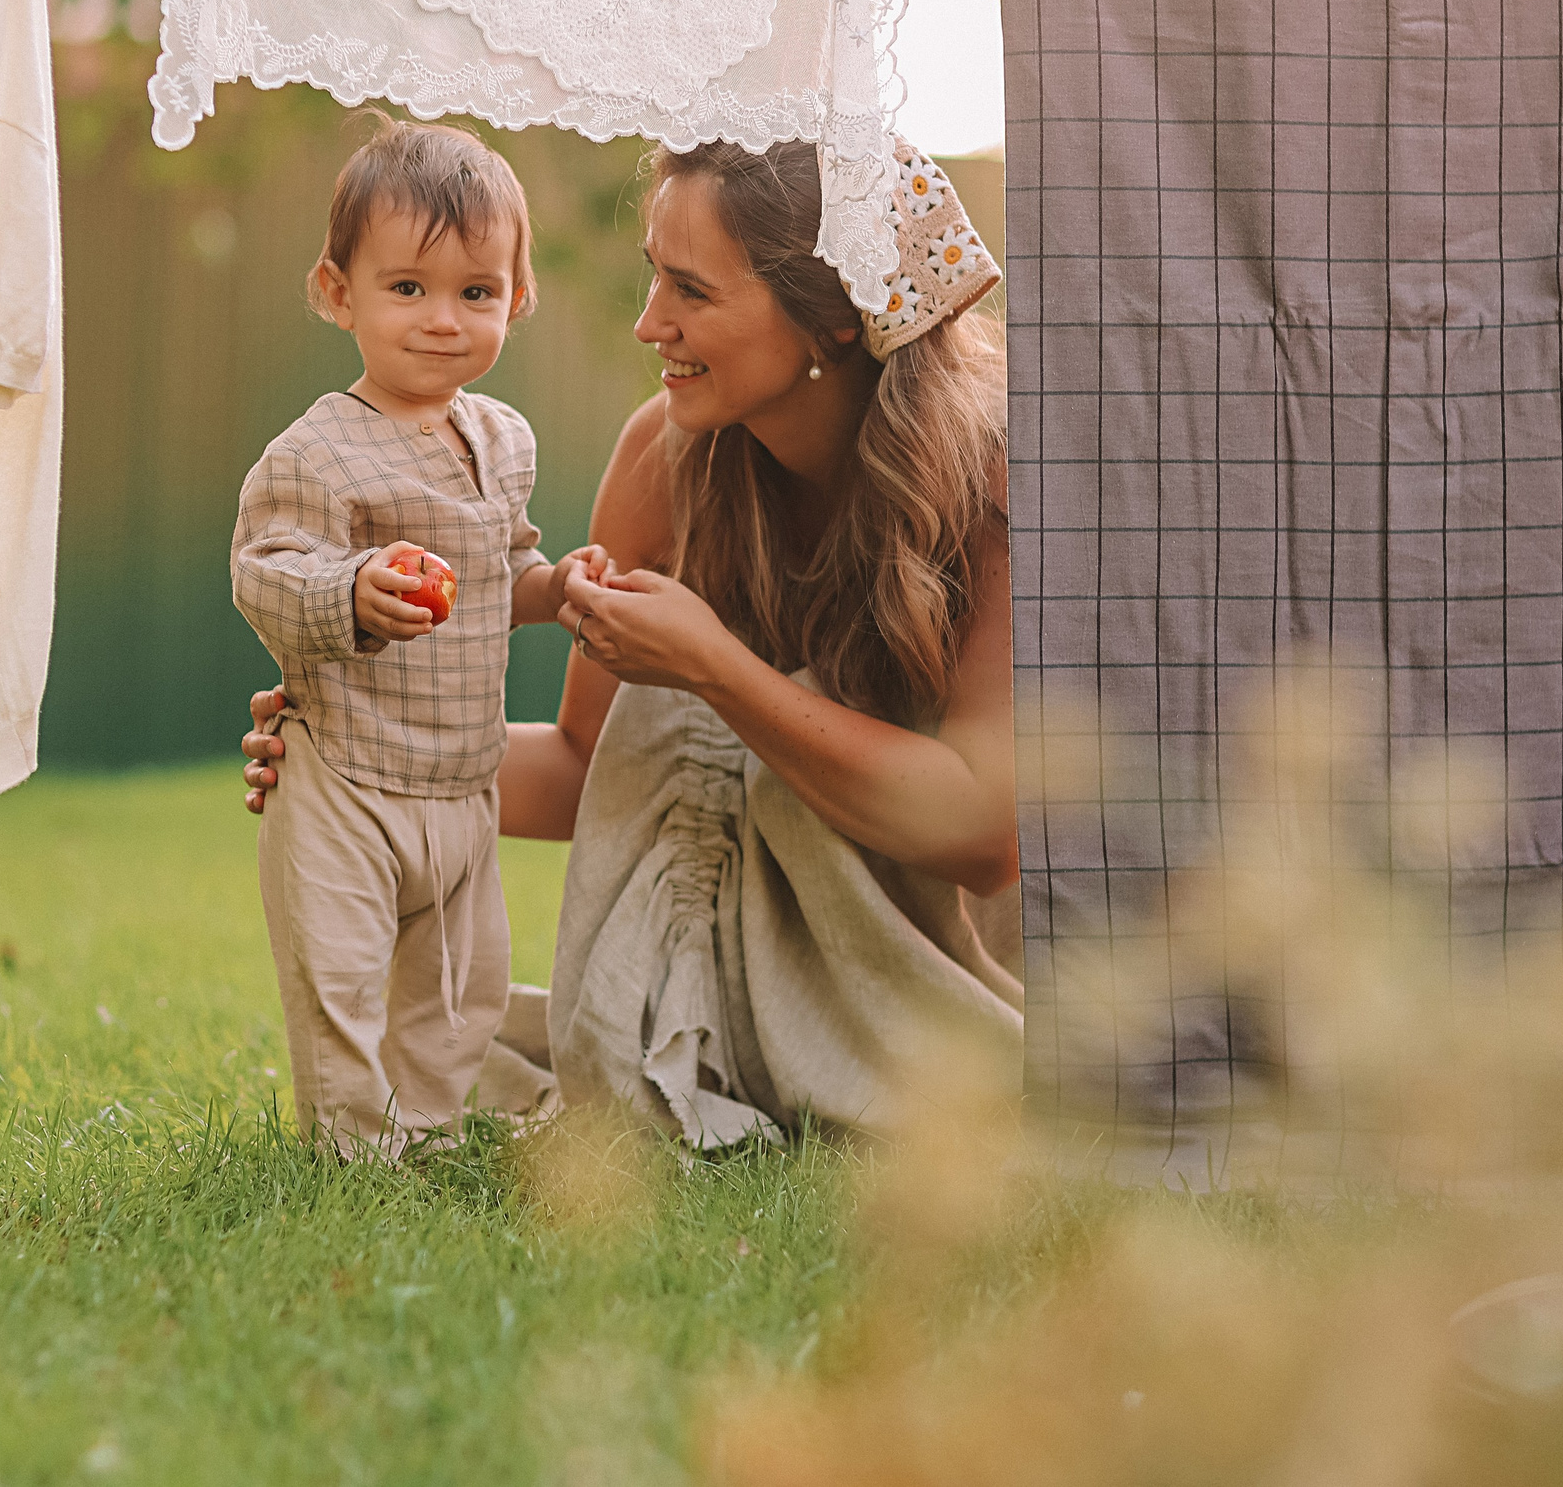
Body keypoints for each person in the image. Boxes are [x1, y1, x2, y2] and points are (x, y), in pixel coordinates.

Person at [246, 138, 1024, 1147]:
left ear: (830, 313)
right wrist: (355, 755)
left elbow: (983, 836)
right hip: (757, 961)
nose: (648, 321)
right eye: (654, 274)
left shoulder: (996, 478)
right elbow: (586, 768)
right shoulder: (668, 457)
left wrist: (714, 667)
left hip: (971, 956)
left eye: (689, 290)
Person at [231, 118, 609, 1158]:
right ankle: (352, 1149)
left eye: (474, 293)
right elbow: (264, 572)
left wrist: (557, 586)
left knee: (459, 981)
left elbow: (502, 575)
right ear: (335, 292)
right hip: (347, 773)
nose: (442, 320)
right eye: (407, 289)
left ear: (517, 300)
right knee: (340, 976)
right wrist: (352, 591)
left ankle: (432, 1129)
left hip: (459, 776)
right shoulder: (317, 450)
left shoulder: (503, 442)